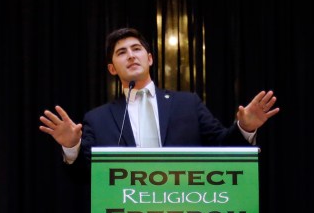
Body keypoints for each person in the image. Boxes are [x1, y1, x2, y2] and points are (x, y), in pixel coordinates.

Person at [39, 26, 278, 162]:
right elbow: (84, 174)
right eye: (121, 52)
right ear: (112, 68)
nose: (131, 55)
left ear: (150, 58)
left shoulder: (188, 104)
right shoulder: (98, 119)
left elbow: (223, 148)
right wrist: (72, 146)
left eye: (137, 49)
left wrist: (245, 127)